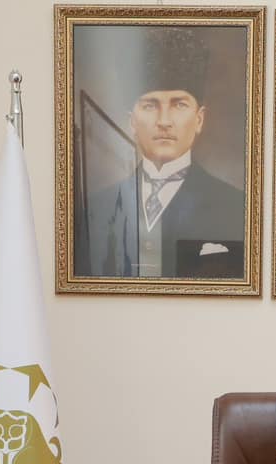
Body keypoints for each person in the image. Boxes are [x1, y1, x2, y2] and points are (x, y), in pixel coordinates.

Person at [77, 28, 245, 280]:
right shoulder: (96, 208)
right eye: (150, 105)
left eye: (179, 104)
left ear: (199, 119)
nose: (164, 121)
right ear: (132, 122)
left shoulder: (234, 207)